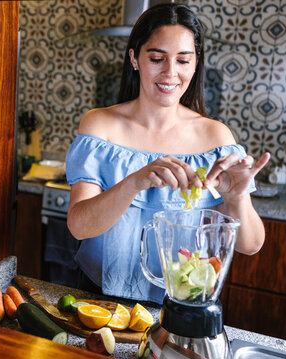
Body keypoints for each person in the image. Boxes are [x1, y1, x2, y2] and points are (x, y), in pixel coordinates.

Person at [65, 3, 270, 303]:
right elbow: (79, 226)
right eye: (157, 58)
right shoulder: (99, 125)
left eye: (183, 60)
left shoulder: (216, 137)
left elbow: (251, 245)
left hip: (181, 301)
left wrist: (236, 197)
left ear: (196, 63)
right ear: (134, 58)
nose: (170, 73)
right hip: (98, 296)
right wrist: (134, 182)